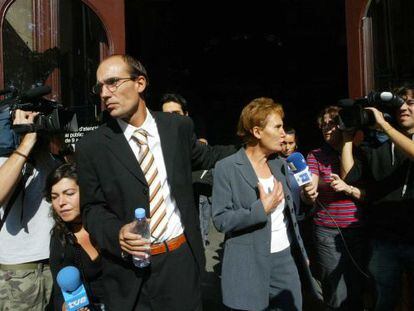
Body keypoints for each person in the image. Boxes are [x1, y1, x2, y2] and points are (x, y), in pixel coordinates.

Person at [75, 54, 233, 310]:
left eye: (113, 82)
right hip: (129, 275)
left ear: (140, 83)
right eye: (100, 87)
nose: (104, 93)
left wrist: (255, 149)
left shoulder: (177, 128)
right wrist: (117, 233)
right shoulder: (92, 147)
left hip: (180, 262)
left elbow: (208, 156)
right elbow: (92, 210)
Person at [212, 97, 318, 310]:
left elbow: (294, 213)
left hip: (285, 260)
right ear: (257, 132)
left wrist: (307, 199)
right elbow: (221, 220)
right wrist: (261, 209)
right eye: (277, 127)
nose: (283, 133)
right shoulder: (227, 168)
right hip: (247, 264)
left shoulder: (281, 165)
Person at [341, 84, 414, 311]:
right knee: (385, 301)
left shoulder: (393, 136)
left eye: (410, 102)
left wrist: (385, 126)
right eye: (399, 103)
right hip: (384, 239)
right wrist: (347, 137)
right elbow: (349, 176)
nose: (403, 107)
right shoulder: (379, 145)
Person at [302, 105, 366, 310]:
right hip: (327, 231)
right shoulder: (316, 155)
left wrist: (349, 188)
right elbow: (310, 184)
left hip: (357, 230)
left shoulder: (361, 151)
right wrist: (308, 193)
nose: (327, 128)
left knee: (358, 286)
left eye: (332, 123)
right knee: (336, 290)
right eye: (323, 125)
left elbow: (370, 192)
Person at [0, 110, 61, 310]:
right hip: (18, 269)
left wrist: (60, 143)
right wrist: (27, 139)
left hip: (54, 262)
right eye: (29, 115)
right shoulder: (5, 157)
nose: (35, 120)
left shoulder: (47, 157)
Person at [45, 163, 105, 311]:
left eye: (69, 193)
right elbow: (60, 294)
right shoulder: (60, 239)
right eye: (54, 197)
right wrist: (66, 307)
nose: (61, 203)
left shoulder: (108, 222)